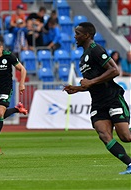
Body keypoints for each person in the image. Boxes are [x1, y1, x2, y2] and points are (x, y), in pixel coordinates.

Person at [63, 22, 131, 175]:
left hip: (112, 98)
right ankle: (130, 164)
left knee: (125, 137)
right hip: (98, 103)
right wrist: (77, 88)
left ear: (87, 35)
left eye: (78, 33)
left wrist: (91, 82)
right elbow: (91, 83)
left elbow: (114, 70)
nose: (75, 36)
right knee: (104, 135)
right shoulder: (83, 58)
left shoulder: (96, 50)